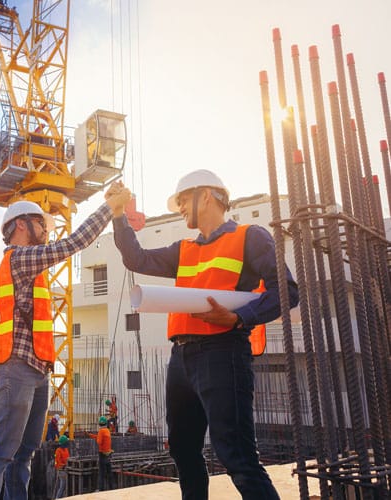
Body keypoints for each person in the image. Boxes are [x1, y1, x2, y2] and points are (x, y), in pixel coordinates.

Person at [111, 169, 299, 499]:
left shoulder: (249, 237)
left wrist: (239, 317)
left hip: (222, 352)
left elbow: (286, 290)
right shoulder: (183, 249)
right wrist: (118, 216)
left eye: (183, 201)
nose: (179, 208)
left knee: (237, 456)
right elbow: (135, 258)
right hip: (180, 359)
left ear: (207, 196)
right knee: (183, 450)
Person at [0, 184, 132, 500]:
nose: (46, 230)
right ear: (21, 224)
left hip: (36, 368)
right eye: (40, 224)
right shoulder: (20, 258)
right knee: (1, 452)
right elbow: (74, 243)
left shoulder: (33, 267)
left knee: (25, 453)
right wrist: (109, 207)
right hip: (13, 367)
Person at [87, 416, 113, 491]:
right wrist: (90, 435)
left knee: (101, 473)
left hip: (102, 454)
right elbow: (100, 438)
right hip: (108, 454)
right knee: (109, 472)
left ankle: (101, 489)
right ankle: (111, 488)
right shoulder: (107, 430)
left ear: (99, 424)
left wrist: (97, 437)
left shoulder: (101, 431)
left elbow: (99, 441)